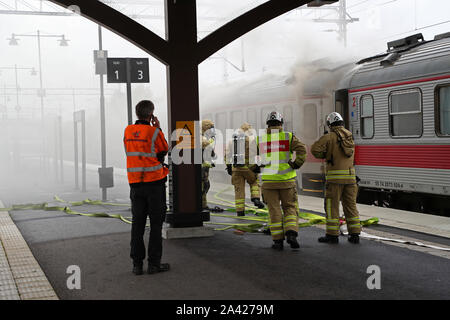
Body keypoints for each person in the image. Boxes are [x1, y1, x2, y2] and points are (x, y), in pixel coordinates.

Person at [123, 100, 170, 275]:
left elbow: (129, 151)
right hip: (155, 184)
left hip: (135, 184)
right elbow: (164, 149)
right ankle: (153, 264)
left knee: (137, 225)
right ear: (151, 114)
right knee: (156, 225)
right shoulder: (154, 132)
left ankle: (136, 265)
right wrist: (158, 127)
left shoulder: (127, 131)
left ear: (137, 114)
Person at [252, 111, 307, 250]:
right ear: (281, 123)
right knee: (290, 208)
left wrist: (257, 166)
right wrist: (296, 164)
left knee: (274, 210)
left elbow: (252, 157)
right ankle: (291, 233)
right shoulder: (288, 136)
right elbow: (302, 149)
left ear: (267, 125)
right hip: (287, 181)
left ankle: (277, 241)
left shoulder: (260, 139)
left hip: (269, 182)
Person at [310, 112, 361, 244]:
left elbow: (314, 149)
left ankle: (332, 235)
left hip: (334, 180)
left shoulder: (329, 137)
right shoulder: (350, 136)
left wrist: (326, 154)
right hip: (350, 178)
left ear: (330, 125)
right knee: (350, 206)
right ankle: (355, 234)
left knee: (331, 206)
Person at [225, 122, 265, 217]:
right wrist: (258, 165)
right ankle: (255, 198)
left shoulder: (232, 140)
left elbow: (227, 155)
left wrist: (229, 167)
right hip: (249, 168)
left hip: (236, 169)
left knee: (239, 190)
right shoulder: (252, 140)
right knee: (254, 182)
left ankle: (240, 212)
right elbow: (258, 153)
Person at [201, 119, 216, 210]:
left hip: (205, 166)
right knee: (204, 185)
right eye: (210, 129)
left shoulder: (205, 136)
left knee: (205, 185)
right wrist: (211, 140)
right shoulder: (201, 136)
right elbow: (204, 144)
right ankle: (202, 205)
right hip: (202, 166)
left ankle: (203, 204)